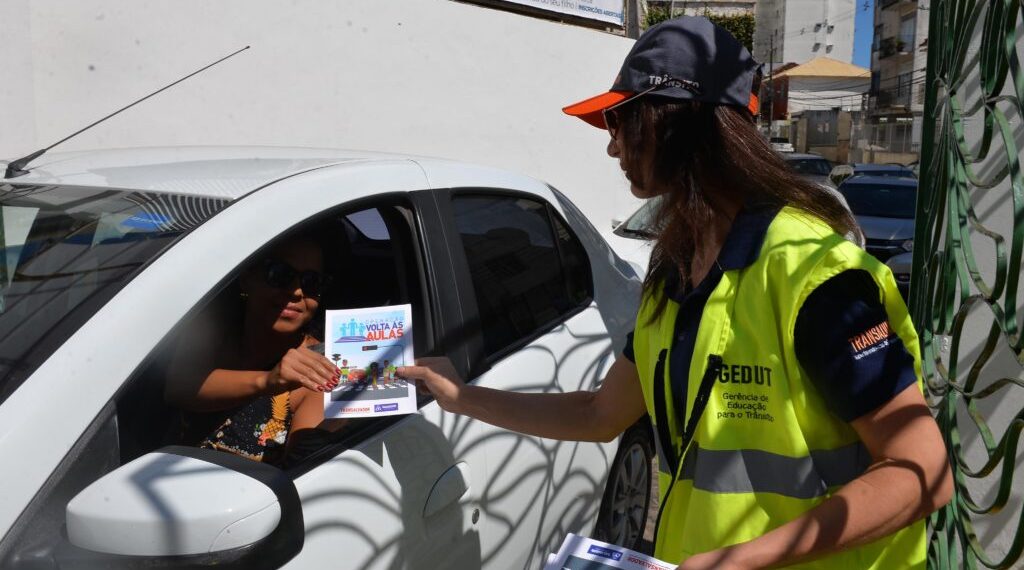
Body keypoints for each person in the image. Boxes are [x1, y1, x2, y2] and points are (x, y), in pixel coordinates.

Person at [399, 16, 952, 569]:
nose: (612, 147)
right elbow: (598, 413)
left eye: (619, 121)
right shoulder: (673, 276)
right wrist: (459, 396)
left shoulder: (814, 275)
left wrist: (741, 559)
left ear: (672, 122)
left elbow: (923, 470)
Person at [166, 232, 339, 465]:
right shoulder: (212, 328)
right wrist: (268, 381)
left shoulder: (318, 368)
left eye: (311, 282)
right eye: (280, 275)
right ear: (247, 277)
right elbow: (179, 389)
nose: (297, 291)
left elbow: (303, 472)